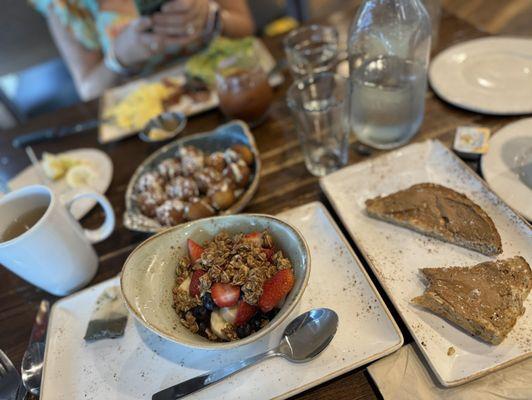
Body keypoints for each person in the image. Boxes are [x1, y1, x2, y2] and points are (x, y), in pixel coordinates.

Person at [31, 0, 255, 101]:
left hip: (231, 89)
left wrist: (210, 15)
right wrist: (118, 57)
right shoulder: (66, 5)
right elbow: (89, 89)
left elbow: (245, 25)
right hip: (144, 118)